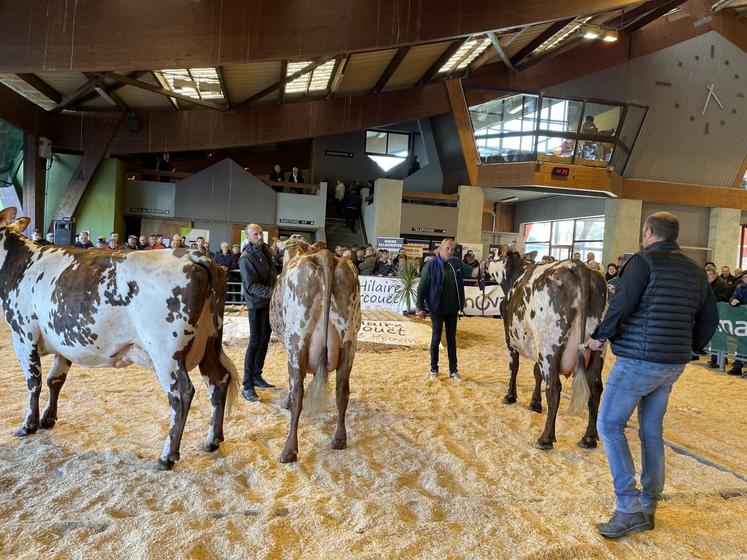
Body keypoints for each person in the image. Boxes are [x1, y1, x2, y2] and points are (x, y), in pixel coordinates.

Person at [585, 212, 718, 538]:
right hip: (672, 364)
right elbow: (710, 318)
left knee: (608, 423)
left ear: (648, 232)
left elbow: (623, 304)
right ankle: (648, 505)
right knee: (650, 431)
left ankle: (629, 507)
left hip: (637, 361)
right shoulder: (695, 270)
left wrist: (599, 336)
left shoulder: (642, 262)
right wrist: (689, 347)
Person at [415, 238, 482, 381]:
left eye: (452, 249)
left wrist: (484, 266)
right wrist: (420, 307)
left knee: (452, 340)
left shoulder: (456, 263)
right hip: (436, 309)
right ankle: (434, 369)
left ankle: (453, 371)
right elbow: (422, 287)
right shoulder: (430, 265)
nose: (450, 251)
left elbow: (473, 273)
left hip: (452, 309)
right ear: (440, 248)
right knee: (436, 339)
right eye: (448, 248)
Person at [239, 223, 277, 401]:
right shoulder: (246, 258)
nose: (260, 237)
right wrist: (276, 293)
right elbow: (252, 286)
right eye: (255, 235)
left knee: (264, 341)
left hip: (268, 303)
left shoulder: (267, 250)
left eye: (260, 233)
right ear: (248, 237)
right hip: (256, 304)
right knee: (254, 343)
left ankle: (257, 375)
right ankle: (247, 385)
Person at [725, 269, 747, 376]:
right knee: (740, 343)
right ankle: (737, 367)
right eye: (744, 278)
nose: (746, 279)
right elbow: (732, 297)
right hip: (742, 320)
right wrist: (732, 302)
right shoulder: (740, 287)